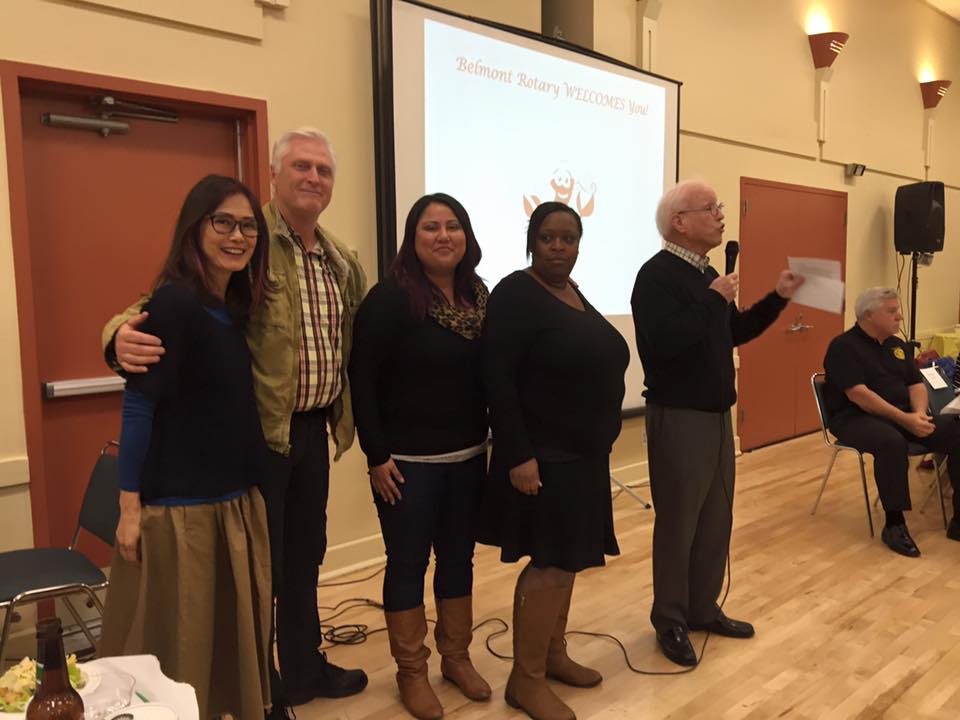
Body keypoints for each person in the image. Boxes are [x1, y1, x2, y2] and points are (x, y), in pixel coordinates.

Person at [101, 128, 368, 711]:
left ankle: (303, 667)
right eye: (301, 166)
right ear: (274, 174)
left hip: (313, 430)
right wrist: (116, 336)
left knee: (305, 557)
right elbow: (154, 309)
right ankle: (260, 685)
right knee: (260, 571)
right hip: (262, 439)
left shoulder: (339, 258)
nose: (313, 178)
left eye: (324, 169)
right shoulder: (252, 244)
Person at [99, 174, 272, 719]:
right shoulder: (175, 302)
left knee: (220, 655)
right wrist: (129, 508)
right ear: (195, 228)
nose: (237, 236)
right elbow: (138, 407)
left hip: (231, 503)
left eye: (248, 226)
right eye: (223, 222)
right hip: (182, 514)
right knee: (178, 657)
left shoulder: (233, 306)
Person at [631, 180, 804, 667]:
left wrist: (777, 297)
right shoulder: (656, 276)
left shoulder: (707, 273)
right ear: (680, 222)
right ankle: (669, 619)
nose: (721, 215)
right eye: (711, 208)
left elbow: (732, 332)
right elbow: (663, 344)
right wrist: (711, 299)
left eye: (720, 207)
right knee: (679, 522)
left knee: (715, 518)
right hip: (679, 415)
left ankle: (702, 607)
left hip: (715, 415)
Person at [480, 202, 629, 720]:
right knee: (548, 563)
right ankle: (526, 680)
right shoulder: (515, 293)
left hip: (583, 458)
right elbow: (497, 379)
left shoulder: (573, 292)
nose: (559, 247)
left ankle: (553, 654)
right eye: (548, 238)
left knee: (568, 560)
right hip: (544, 459)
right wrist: (518, 454)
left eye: (569, 238)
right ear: (531, 242)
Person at [349, 193, 491, 720]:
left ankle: (456, 658)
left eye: (453, 225)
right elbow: (361, 378)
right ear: (412, 238)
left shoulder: (479, 297)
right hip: (405, 466)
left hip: (469, 456)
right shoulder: (391, 299)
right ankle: (412, 672)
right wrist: (375, 454)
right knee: (407, 563)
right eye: (430, 227)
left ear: (466, 236)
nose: (443, 236)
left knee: (458, 559)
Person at [822, 287, 960, 556]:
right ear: (869, 315)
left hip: (902, 415)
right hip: (854, 417)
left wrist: (918, 414)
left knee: (956, 428)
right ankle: (894, 524)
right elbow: (859, 396)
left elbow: (915, 384)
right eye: (892, 311)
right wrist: (906, 420)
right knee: (891, 442)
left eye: (898, 310)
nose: (900, 316)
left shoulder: (897, 346)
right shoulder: (843, 347)